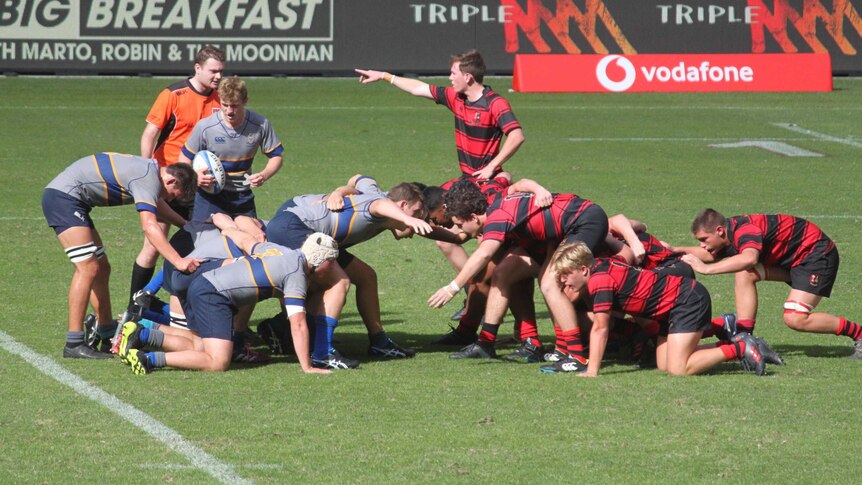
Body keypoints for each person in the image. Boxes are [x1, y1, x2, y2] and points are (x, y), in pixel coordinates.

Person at [426, 180, 631, 373]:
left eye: (461, 225)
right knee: (503, 272)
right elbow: (520, 185)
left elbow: (485, 253)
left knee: (550, 284)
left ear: (473, 217)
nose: (461, 231)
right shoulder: (494, 203)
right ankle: (486, 343)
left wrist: (452, 288)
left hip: (585, 222)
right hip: (557, 234)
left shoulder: (497, 218)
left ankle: (576, 356)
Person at [267, 174, 454, 369]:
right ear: (402, 205)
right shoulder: (379, 205)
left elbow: (358, 178)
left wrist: (459, 237)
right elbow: (380, 205)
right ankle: (320, 352)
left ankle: (379, 342)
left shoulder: (377, 195)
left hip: (306, 227)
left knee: (366, 276)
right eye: (415, 213)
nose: (416, 221)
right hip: (294, 227)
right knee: (338, 282)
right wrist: (407, 219)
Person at [41, 152, 201, 359]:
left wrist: (187, 226)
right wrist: (178, 261)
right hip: (63, 199)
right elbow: (149, 225)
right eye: (173, 195)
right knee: (88, 268)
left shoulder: (150, 172)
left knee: (102, 267)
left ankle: (107, 332)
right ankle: (74, 342)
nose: (170, 199)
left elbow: (159, 207)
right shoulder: (147, 178)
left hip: (70, 199)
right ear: (170, 179)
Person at [118, 231, 337, 375]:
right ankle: (147, 359)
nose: (334, 269)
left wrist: (226, 224)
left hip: (203, 285)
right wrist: (307, 366)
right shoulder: (296, 273)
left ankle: (143, 332)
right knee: (218, 361)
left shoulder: (281, 251)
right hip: (213, 295)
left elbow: (248, 242)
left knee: (200, 345)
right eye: (332, 262)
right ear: (323, 261)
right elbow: (297, 323)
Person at [549, 241, 782, 376]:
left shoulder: (599, 280)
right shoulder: (600, 266)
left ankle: (740, 348)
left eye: (565, 274)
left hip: (687, 300)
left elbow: (601, 328)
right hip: (668, 310)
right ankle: (734, 341)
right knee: (664, 364)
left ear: (582, 269)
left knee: (678, 369)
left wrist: (592, 372)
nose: (563, 281)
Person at [672, 209, 862, 359]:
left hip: (815, 257)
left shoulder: (745, 230)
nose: (703, 245)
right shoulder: (728, 234)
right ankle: (745, 337)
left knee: (795, 318)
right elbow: (708, 254)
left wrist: (706, 269)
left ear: (719, 231)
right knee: (746, 275)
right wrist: (675, 249)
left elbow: (749, 258)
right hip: (792, 260)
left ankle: (859, 333)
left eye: (704, 240)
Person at [130, 45, 225, 303]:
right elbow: (150, 133)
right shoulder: (173, 94)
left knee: (203, 241)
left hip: (201, 186)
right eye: (213, 71)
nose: (217, 77)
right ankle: (134, 305)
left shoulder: (219, 99)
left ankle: (189, 302)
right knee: (153, 245)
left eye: (221, 72)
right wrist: (148, 171)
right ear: (197, 68)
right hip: (168, 186)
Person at [356, 49, 524, 182]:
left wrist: (492, 167)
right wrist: (384, 76)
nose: (450, 78)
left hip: (487, 179)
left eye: (453, 73)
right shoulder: (455, 97)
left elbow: (517, 136)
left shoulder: (495, 103)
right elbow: (419, 88)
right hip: (467, 179)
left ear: (467, 77)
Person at [179, 75, 284, 223]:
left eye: (234, 105)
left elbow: (276, 156)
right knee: (204, 240)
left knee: (249, 239)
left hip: (242, 196)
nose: (229, 111)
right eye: (225, 104)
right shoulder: (206, 127)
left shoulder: (260, 124)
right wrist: (195, 176)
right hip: (210, 197)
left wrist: (264, 175)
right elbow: (184, 157)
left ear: (245, 101)